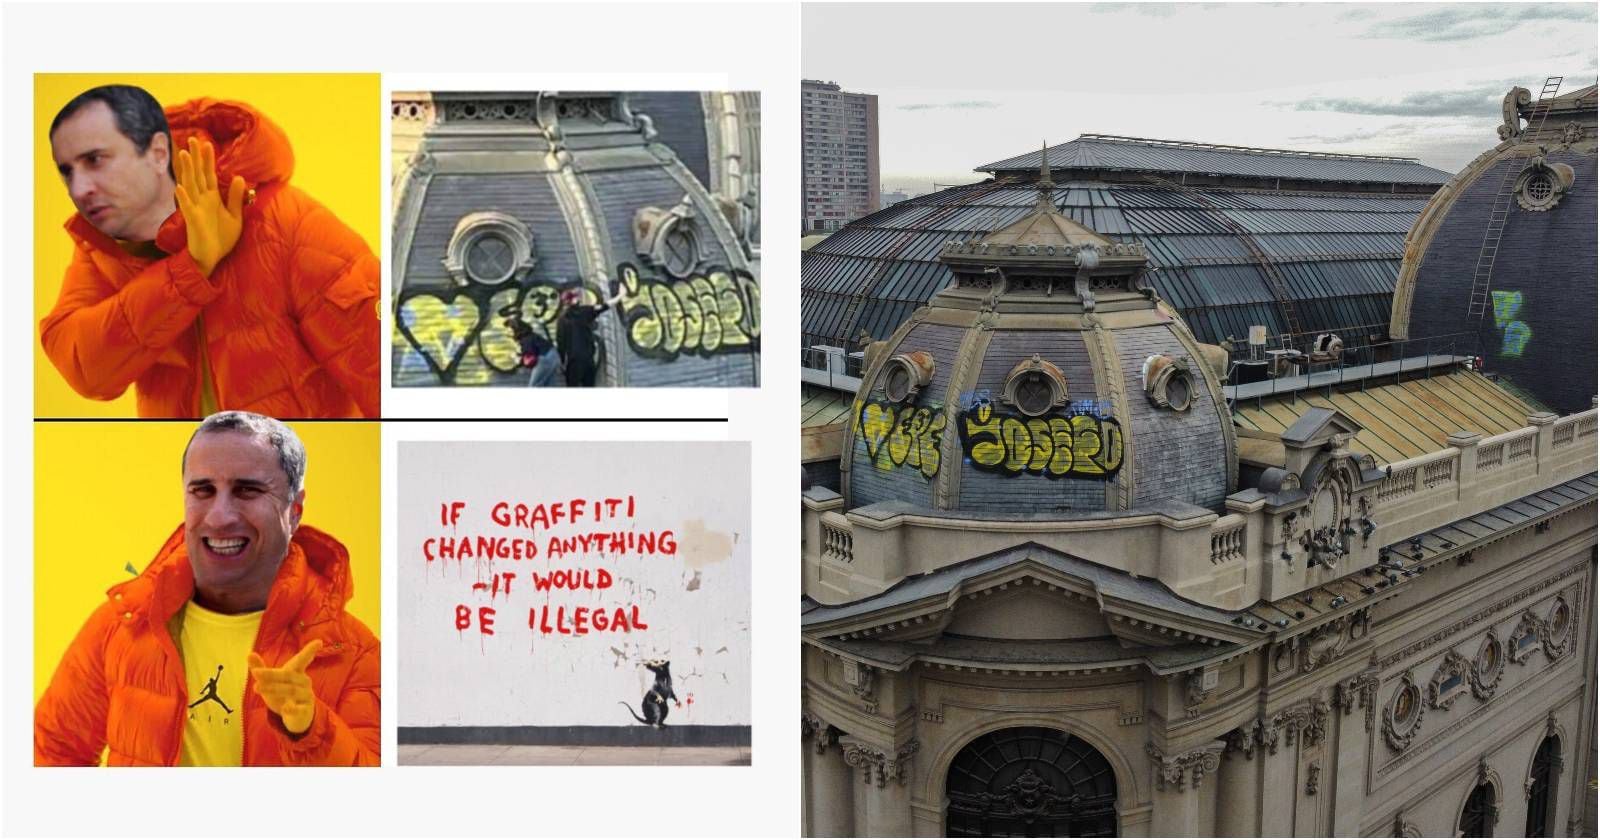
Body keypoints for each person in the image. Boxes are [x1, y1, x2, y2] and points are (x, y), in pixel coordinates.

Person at [34, 411, 379, 766]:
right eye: (203, 491)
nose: (219, 516)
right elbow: (51, 752)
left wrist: (310, 730)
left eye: (248, 490)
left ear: (294, 511)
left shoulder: (353, 654)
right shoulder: (122, 624)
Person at [41, 85, 379, 418]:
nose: (80, 188)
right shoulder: (106, 245)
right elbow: (85, 371)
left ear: (158, 153)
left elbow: (391, 382)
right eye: (67, 171)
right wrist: (192, 268)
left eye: (96, 160)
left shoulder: (288, 225)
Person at [556, 283, 625, 387]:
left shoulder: (561, 320)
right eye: (576, 297)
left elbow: (560, 342)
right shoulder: (585, 311)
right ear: (574, 300)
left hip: (573, 360)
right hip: (588, 357)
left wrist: (561, 361)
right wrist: (620, 296)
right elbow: (604, 306)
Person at [502, 308, 560, 387]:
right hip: (554, 357)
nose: (507, 331)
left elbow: (530, 358)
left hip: (545, 360)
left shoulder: (525, 339)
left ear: (515, 329)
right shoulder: (528, 335)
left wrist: (518, 359)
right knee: (548, 385)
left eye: (509, 329)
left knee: (534, 386)